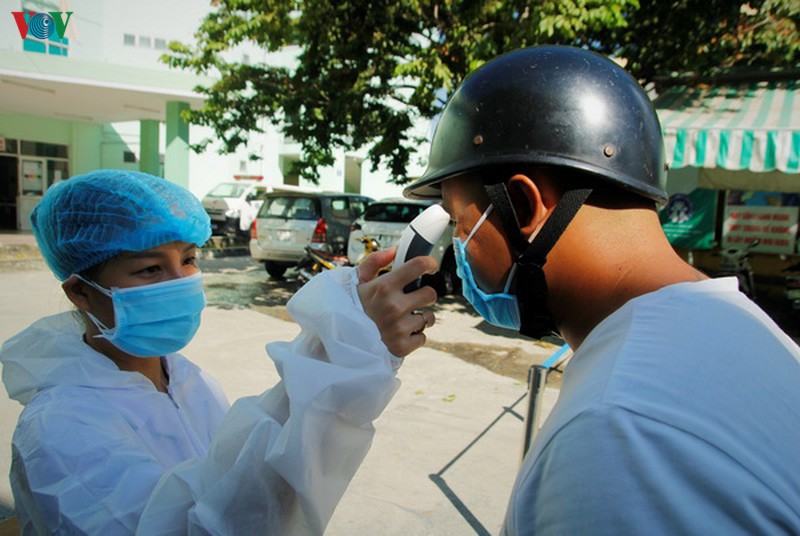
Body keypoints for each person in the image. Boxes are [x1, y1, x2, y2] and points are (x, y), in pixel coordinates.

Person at [403, 46, 800, 534]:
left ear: (523, 206)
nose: (459, 248)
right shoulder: (746, 329)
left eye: (460, 222)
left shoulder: (616, 433)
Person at [0, 169, 438, 534]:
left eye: (188, 259)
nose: (181, 282)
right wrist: (341, 351)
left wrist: (349, 346)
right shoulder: (59, 429)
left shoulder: (186, 379)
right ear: (80, 292)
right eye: (150, 269)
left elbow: (245, 481)